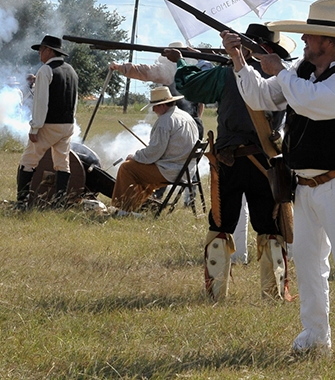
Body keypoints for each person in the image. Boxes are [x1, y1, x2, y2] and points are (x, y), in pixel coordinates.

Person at [225, 0, 335, 361]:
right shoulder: (303, 71)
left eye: (309, 36)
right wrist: (240, 61)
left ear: (327, 41)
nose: (303, 42)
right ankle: (315, 334)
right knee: (307, 263)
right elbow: (261, 96)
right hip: (305, 185)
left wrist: (279, 71)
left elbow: (308, 103)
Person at [172, 23, 295, 301]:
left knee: (220, 226)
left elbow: (189, 86)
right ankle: (274, 294)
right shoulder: (284, 77)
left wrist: (180, 61)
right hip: (266, 162)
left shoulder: (227, 74)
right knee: (270, 228)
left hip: (229, 160)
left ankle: (216, 296)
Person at [109, 86, 198, 215]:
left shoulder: (165, 121)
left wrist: (135, 156)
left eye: (155, 105)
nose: (153, 109)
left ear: (162, 105)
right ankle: (136, 206)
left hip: (171, 170)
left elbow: (155, 152)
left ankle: (123, 210)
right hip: (187, 171)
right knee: (140, 171)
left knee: (127, 168)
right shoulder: (186, 117)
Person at [15, 35, 78, 209]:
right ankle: (59, 203)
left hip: (49, 125)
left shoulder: (45, 70)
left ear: (49, 51)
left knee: (28, 161)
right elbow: (75, 101)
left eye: (41, 50)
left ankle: (21, 203)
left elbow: (40, 102)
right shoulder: (71, 71)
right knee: (62, 163)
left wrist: (35, 128)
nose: (39, 54)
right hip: (67, 124)